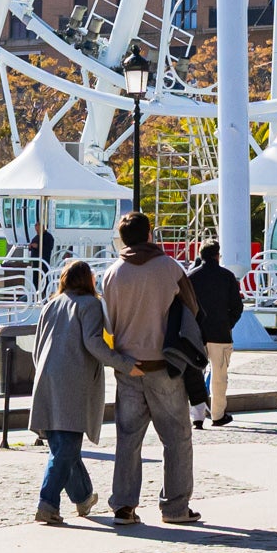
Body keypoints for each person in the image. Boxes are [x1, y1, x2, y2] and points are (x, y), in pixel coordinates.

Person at [100, 209, 200, 525]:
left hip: (128, 366)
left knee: (128, 439)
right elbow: (193, 309)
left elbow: (107, 322)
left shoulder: (112, 273)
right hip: (165, 365)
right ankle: (175, 508)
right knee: (177, 438)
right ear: (149, 234)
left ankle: (124, 505)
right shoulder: (169, 268)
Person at [27, 260, 109, 524]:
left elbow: (37, 346)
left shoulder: (51, 304)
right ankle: (47, 502)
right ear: (88, 280)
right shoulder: (90, 305)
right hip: (73, 380)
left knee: (61, 444)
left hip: (46, 377)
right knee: (67, 445)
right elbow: (94, 343)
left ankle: (83, 497)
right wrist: (125, 363)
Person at [186, 240, 245, 428]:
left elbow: (185, 306)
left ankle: (197, 416)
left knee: (195, 375)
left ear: (200, 255)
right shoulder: (228, 277)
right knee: (219, 377)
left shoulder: (191, 277)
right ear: (217, 255)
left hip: (197, 334)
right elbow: (237, 306)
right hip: (220, 333)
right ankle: (218, 415)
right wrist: (228, 323)